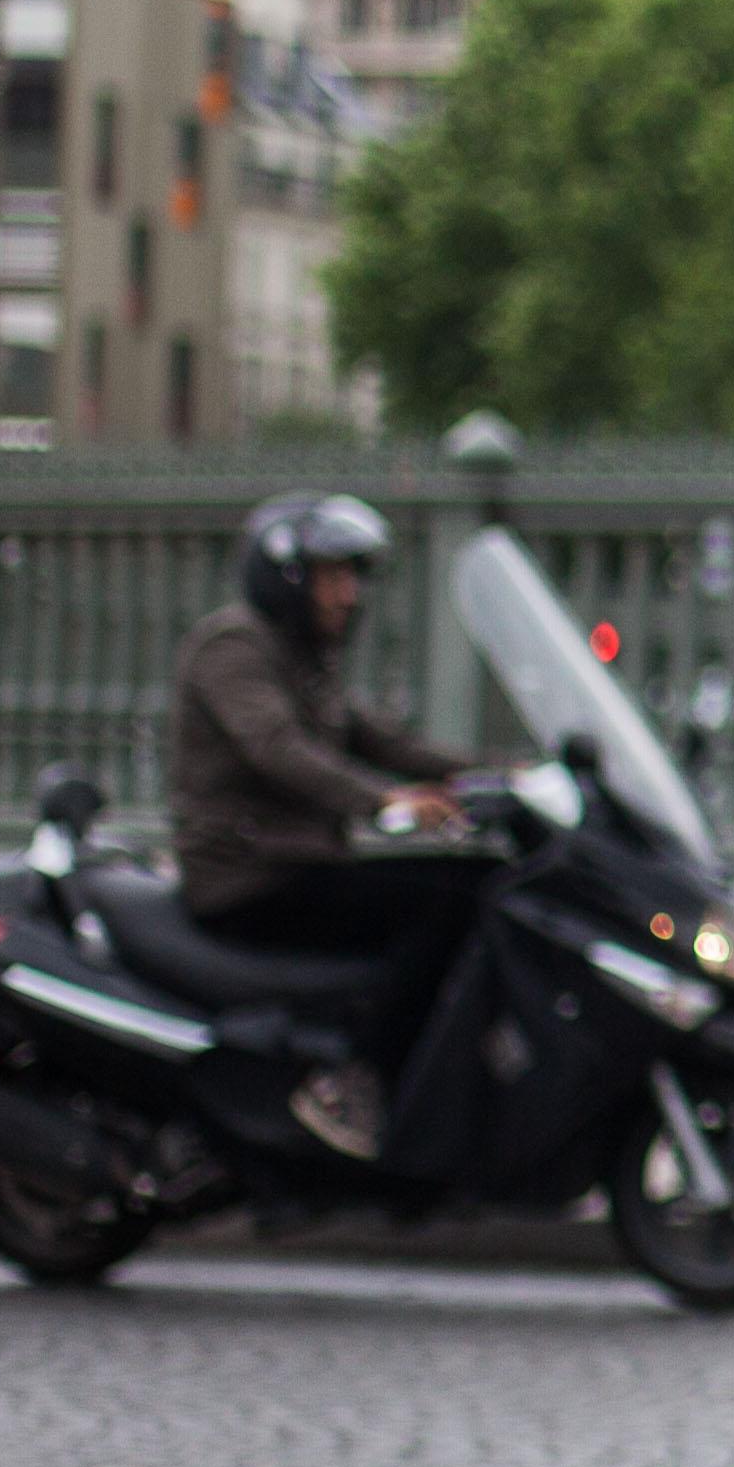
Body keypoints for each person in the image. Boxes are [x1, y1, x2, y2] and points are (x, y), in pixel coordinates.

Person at [167, 492, 480, 1153]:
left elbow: (386, 743)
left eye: (355, 577)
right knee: (441, 907)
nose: (350, 594)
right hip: (249, 877)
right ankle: (351, 1083)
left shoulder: (307, 660)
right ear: (286, 576)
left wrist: (508, 775)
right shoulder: (233, 648)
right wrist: (386, 803)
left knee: (477, 882)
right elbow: (277, 748)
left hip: (300, 864)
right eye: (333, 575)